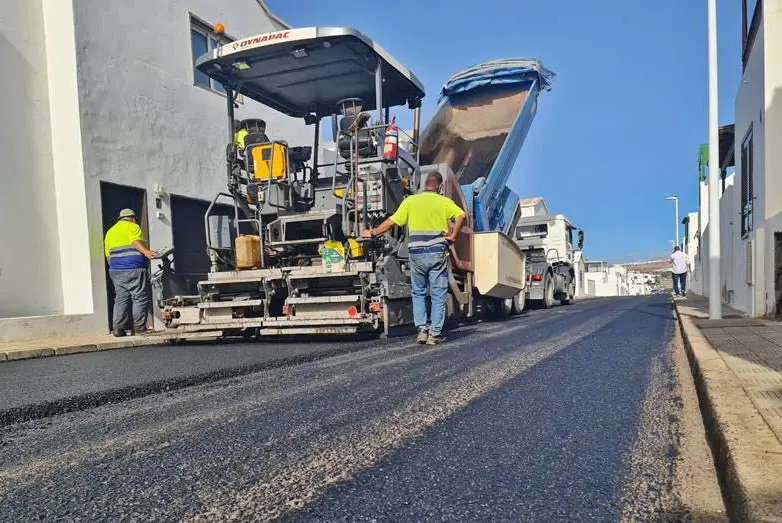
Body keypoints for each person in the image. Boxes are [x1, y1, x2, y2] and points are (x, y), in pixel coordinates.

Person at [362, 171, 466, 345]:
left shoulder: (410, 201)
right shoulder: (444, 202)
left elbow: (392, 222)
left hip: (416, 252)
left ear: (425, 184)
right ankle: (434, 334)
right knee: (438, 294)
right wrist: (453, 236)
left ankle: (422, 331)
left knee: (418, 292)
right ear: (439, 187)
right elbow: (461, 215)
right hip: (436, 251)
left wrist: (371, 232)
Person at [104, 209, 157, 336]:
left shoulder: (110, 231)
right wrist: (146, 252)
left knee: (121, 298)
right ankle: (139, 328)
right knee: (139, 297)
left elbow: (108, 255)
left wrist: (116, 268)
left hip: (116, 270)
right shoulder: (133, 226)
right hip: (134, 268)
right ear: (132, 218)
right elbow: (135, 241)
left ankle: (118, 329)